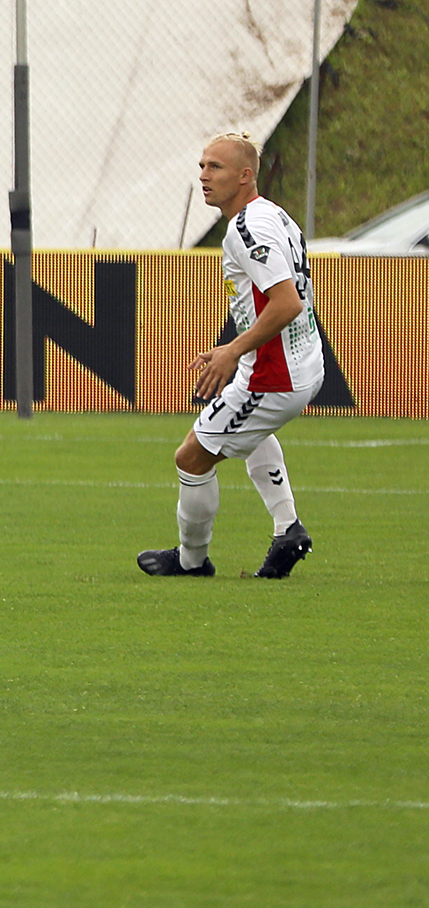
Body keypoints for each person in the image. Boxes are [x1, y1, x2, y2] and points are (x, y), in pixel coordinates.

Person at [138, 133, 321, 581]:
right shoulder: (271, 214)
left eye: (215, 167)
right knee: (252, 433)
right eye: (202, 166)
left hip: (274, 375)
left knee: (192, 458)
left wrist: (232, 350)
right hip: (296, 361)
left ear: (245, 175)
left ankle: (191, 561)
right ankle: (287, 529)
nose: (204, 175)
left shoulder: (247, 229)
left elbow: (287, 302)